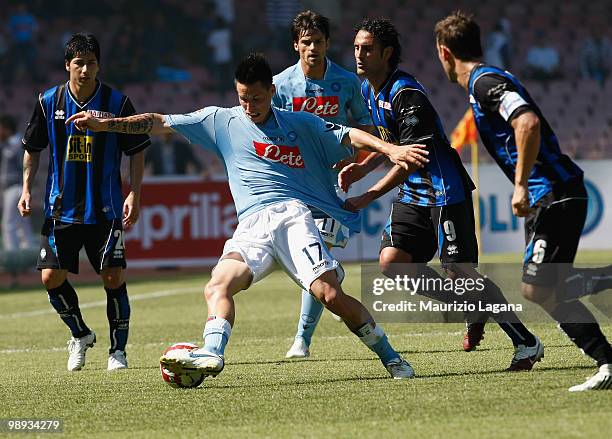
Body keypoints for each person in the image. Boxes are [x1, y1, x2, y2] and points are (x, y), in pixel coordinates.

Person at [67, 53, 431, 380]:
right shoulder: (219, 121)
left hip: (291, 217)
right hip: (251, 226)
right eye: (243, 98)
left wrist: (390, 148)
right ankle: (212, 352)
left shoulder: (300, 124)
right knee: (218, 285)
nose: (250, 106)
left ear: (271, 91)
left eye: (257, 98)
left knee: (329, 295)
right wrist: (107, 124)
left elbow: (350, 134)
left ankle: (392, 358)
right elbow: (158, 122)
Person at [340, 17, 542, 371]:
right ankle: (473, 306)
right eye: (356, 47)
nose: (358, 54)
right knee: (393, 263)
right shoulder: (367, 89)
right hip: (413, 196)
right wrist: (363, 166)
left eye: (367, 48)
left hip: (444, 193)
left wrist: (367, 193)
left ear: (387, 53)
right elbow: (392, 142)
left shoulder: (407, 94)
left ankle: (526, 342)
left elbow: (411, 160)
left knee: (460, 274)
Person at [434, 11, 612, 391]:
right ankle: (607, 363)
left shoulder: (485, 82)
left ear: (444, 52)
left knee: (540, 286)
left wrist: (519, 185)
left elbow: (527, 122)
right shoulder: (485, 82)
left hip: (554, 193)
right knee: (543, 289)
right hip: (546, 197)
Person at [18, 33, 150, 372]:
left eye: (91, 63)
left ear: (99, 65)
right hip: (61, 208)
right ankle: (80, 334)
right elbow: (32, 149)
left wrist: (134, 191)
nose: (85, 69)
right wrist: (26, 189)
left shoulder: (118, 103)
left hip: (105, 208)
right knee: (50, 277)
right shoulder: (49, 102)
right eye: (79, 63)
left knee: (112, 276)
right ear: (67, 65)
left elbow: (137, 150)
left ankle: (117, 352)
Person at [273, 10, 375, 359]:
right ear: (295, 46)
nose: (312, 47)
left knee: (317, 257)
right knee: (314, 257)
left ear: (328, 44)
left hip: (330, 185)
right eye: (306, 42)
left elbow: (368, 130)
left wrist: (352, 160)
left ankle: (302, 338)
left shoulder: (347, 83)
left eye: (318, 41)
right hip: (292, 183)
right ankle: (302, 338)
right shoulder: (279, 85)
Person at [1, 115, 33, 251]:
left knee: (9, 224)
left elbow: (26, 165)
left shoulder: (17, 143)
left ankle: (12, 259)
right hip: (12, 188)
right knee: (22, 226)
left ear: (7, 128)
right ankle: (28, 258)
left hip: (16, 187)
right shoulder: (7, 144)